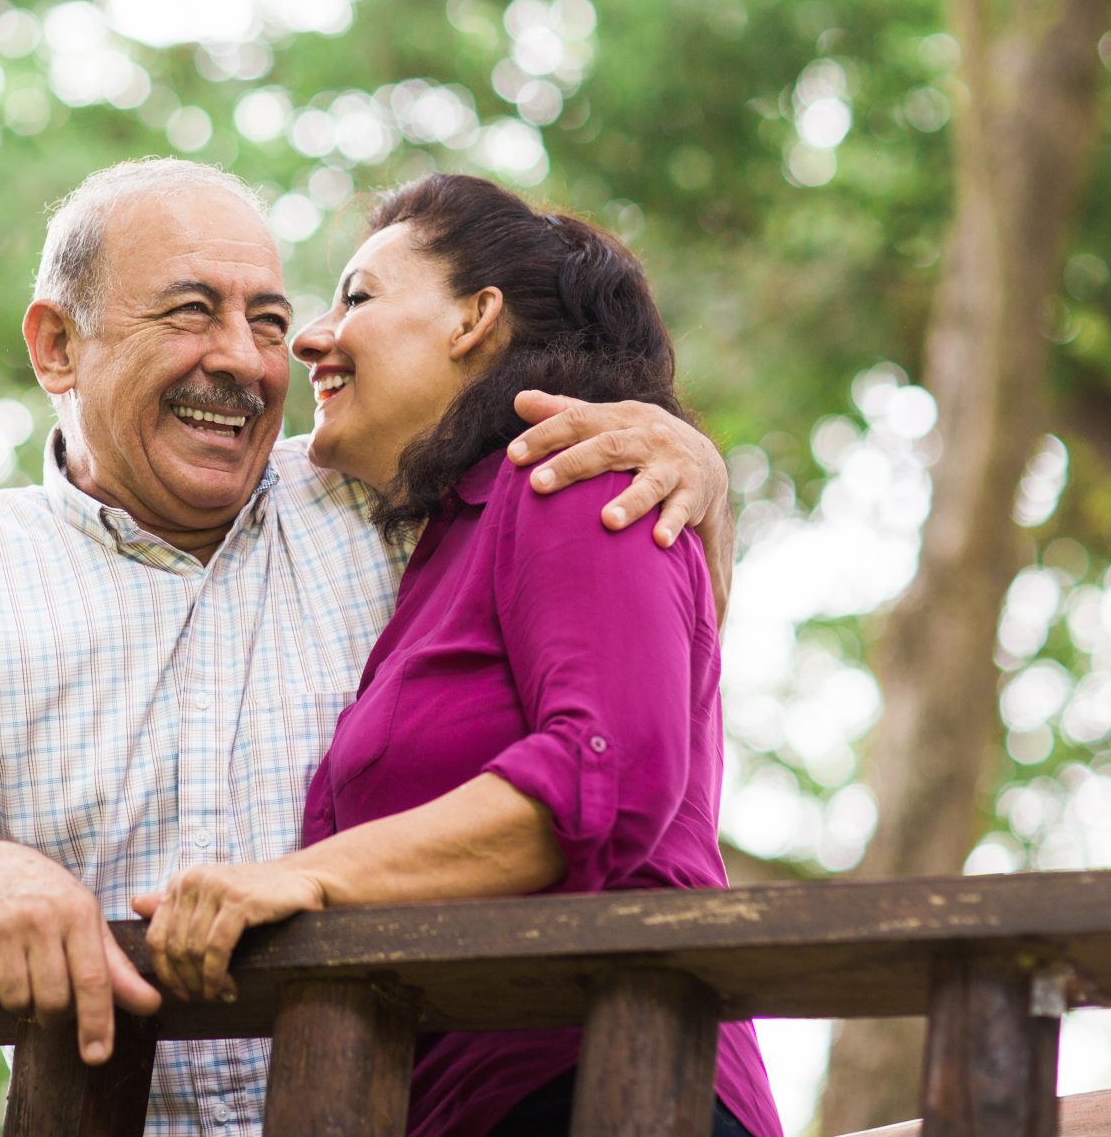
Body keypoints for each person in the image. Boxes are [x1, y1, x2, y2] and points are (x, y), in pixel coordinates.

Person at [0, 159, 735, 1135]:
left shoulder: (391, 492)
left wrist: (691, 471)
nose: (248, 362)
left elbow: (631, 685)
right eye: (190, 312)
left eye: (269, 322)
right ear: (56, 346)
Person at [134, 173, 781, 1137]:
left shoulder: (570, 477)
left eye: (357, 296)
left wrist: (303, 875)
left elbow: (610, 772)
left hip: (609, 1085)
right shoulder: (441, 545)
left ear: (475, 319)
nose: (311, 337)